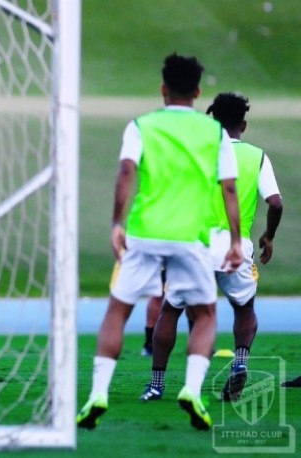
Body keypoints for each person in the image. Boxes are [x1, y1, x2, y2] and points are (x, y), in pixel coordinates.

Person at [76, 53, 243, 431]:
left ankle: (97, 394)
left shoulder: (141, 126)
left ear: (163, 89)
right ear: (198, 91)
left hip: (145, 232)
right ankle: (193, 391)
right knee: (205, 315)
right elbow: (229, 188)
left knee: (117, 312)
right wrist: (234, 240)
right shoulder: (215, 133)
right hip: (192, 238)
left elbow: (125, 170)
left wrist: (117, 222)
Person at [140, 92, 283, 403]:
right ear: (243, 125)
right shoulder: (257, 156)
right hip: (236, 245)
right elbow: (275, 202)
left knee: (171, 310)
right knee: (244, 308)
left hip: (196, 244)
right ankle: (241, 362)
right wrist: (268, 236)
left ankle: (156, 385)